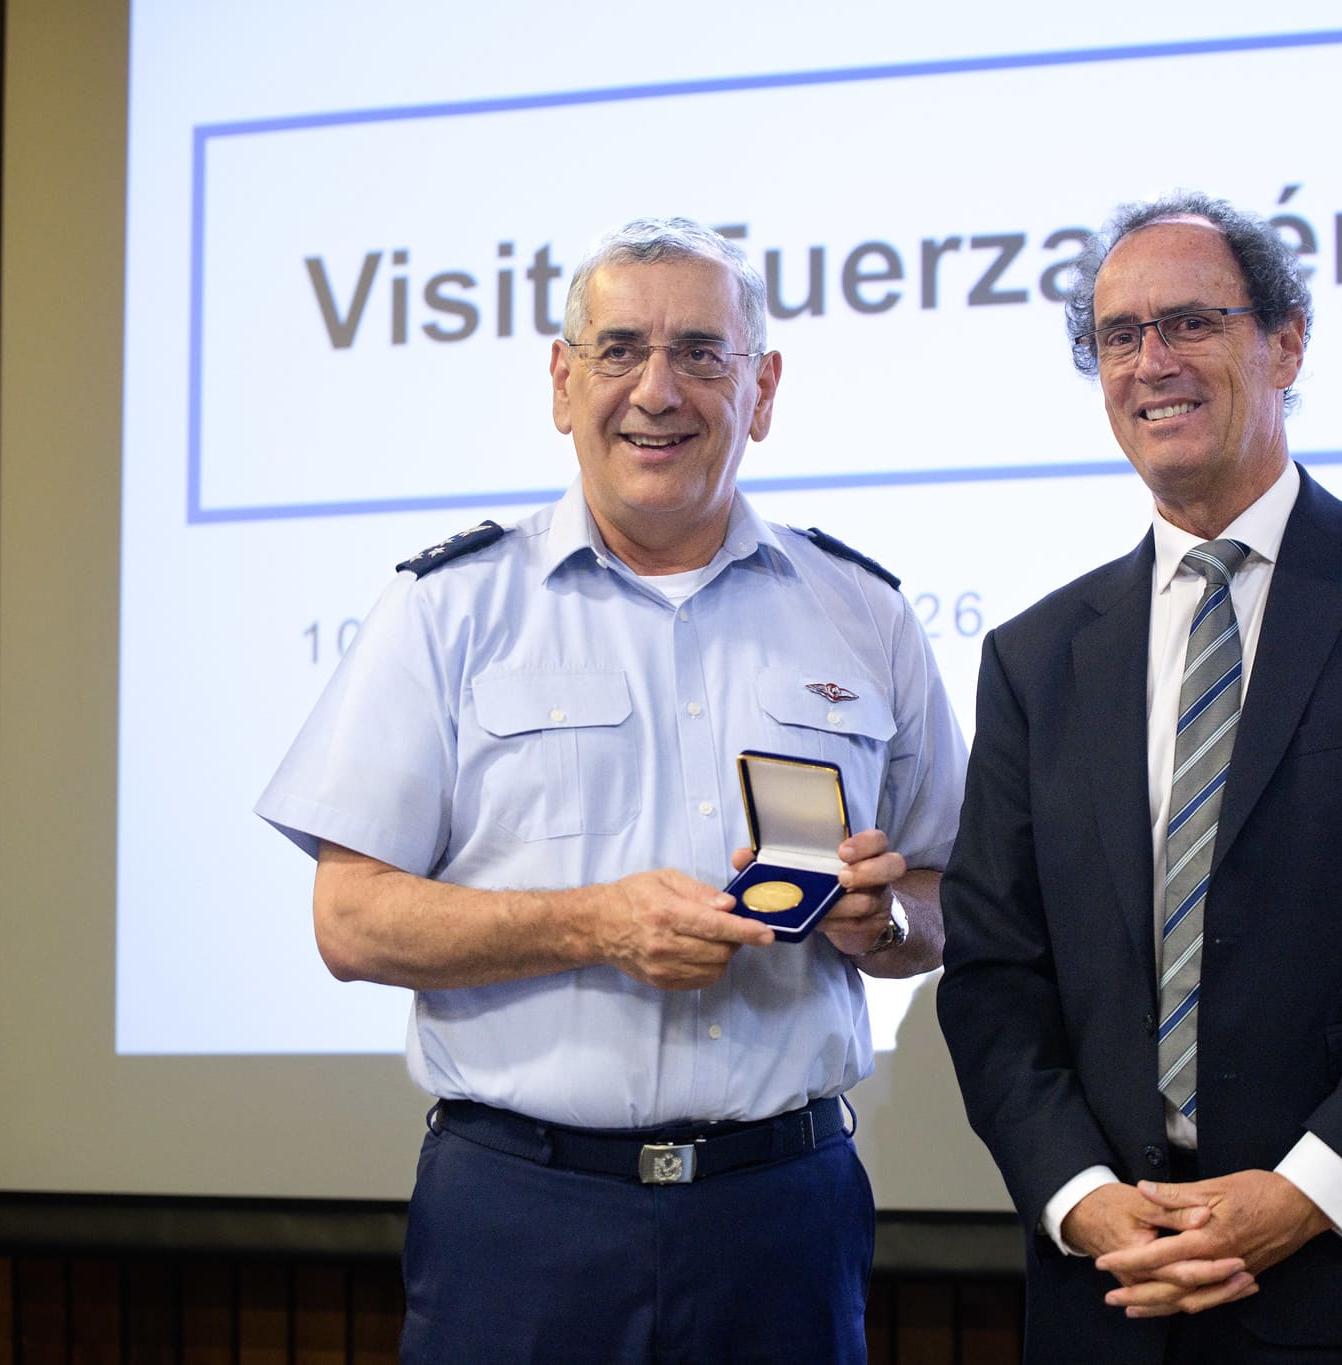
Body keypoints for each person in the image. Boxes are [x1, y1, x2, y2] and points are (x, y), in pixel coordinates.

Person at [256, 217, 966, 1365]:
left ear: (762, 388)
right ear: (560, 379)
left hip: (779, 1214)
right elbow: (349, 921)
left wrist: (881, 920)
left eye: (700, 353)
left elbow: (941, 895)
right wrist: (593, 924)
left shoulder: (863, 612)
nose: (656, 390)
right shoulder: (449, 610)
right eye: (619, 349)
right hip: (523, 1219)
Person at [935, 190, 1342, 1364]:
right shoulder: (1034, 657)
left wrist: (1299, 1196)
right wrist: (1082, 1199)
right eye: (1118, 336)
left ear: (1284, 341)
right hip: (1114, 1297)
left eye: (1188, 323)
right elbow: (992, 977)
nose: (1150, 362)